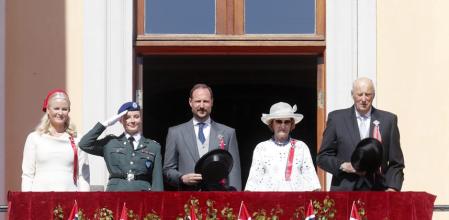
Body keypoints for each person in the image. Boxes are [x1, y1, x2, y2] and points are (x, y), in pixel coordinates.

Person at [317, 77, 405, 191]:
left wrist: (392, 188)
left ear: (373, 95)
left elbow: (396, 162)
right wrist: (343, 165)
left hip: (378, 191)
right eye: (360, 94)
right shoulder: (337, 119)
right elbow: (322, 157)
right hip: (345, 191)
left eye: (368, 94)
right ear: (352, 95)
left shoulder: (388, 120)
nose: (363, 99)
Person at [163, 83, 242, 191]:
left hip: (219, 198)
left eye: (205, 101)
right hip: (188, 199)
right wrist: (181, 178)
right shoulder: (175, 133)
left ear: (212, 102)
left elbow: (234, 173)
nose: (201, 106)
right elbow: (167, 170)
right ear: (190, 102)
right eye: (197, 101)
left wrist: (234, 199)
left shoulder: (228, 133)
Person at [78, 101, 163, 191]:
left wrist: (157, 203)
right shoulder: (110, 143)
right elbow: (84, 144)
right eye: (127, 117)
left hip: (143, 195)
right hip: (116, 194)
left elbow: (158, 183)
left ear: (141, 119)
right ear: (120, 120)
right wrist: (105, 124)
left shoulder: (153, 146)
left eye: (136, 117)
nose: (133, 121)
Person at [21, 89, 90, 191]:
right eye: (56, 108)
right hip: (40, 199)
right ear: (48, 110)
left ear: (69, 111)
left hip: (69, 199)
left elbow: (83, 177)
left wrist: (84, 201)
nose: (60, 113)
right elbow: (27, 175)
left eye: (64, 109)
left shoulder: (78, 139)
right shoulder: (34, 138)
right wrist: (27, 202)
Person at [245, 102, 321, 191]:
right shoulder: (261, 148)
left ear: (291, 124)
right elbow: (254, 179)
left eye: (287, 122)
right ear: (271, 124)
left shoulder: (301, 146)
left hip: (297, 200)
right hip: (268, 200)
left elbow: (311, 178)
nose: (283, 126)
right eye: (279, 121)